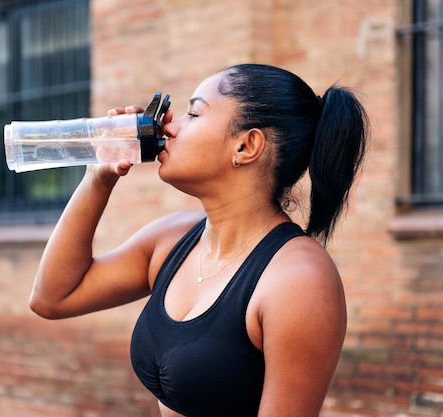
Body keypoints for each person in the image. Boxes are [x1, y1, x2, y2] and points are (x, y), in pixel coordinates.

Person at [29, 63, 369, 417]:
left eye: (193, 113)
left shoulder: (299, 280)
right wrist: (98, 176)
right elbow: (53, 297)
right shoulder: (172, 238)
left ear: (246, 145)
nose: (170, 127)